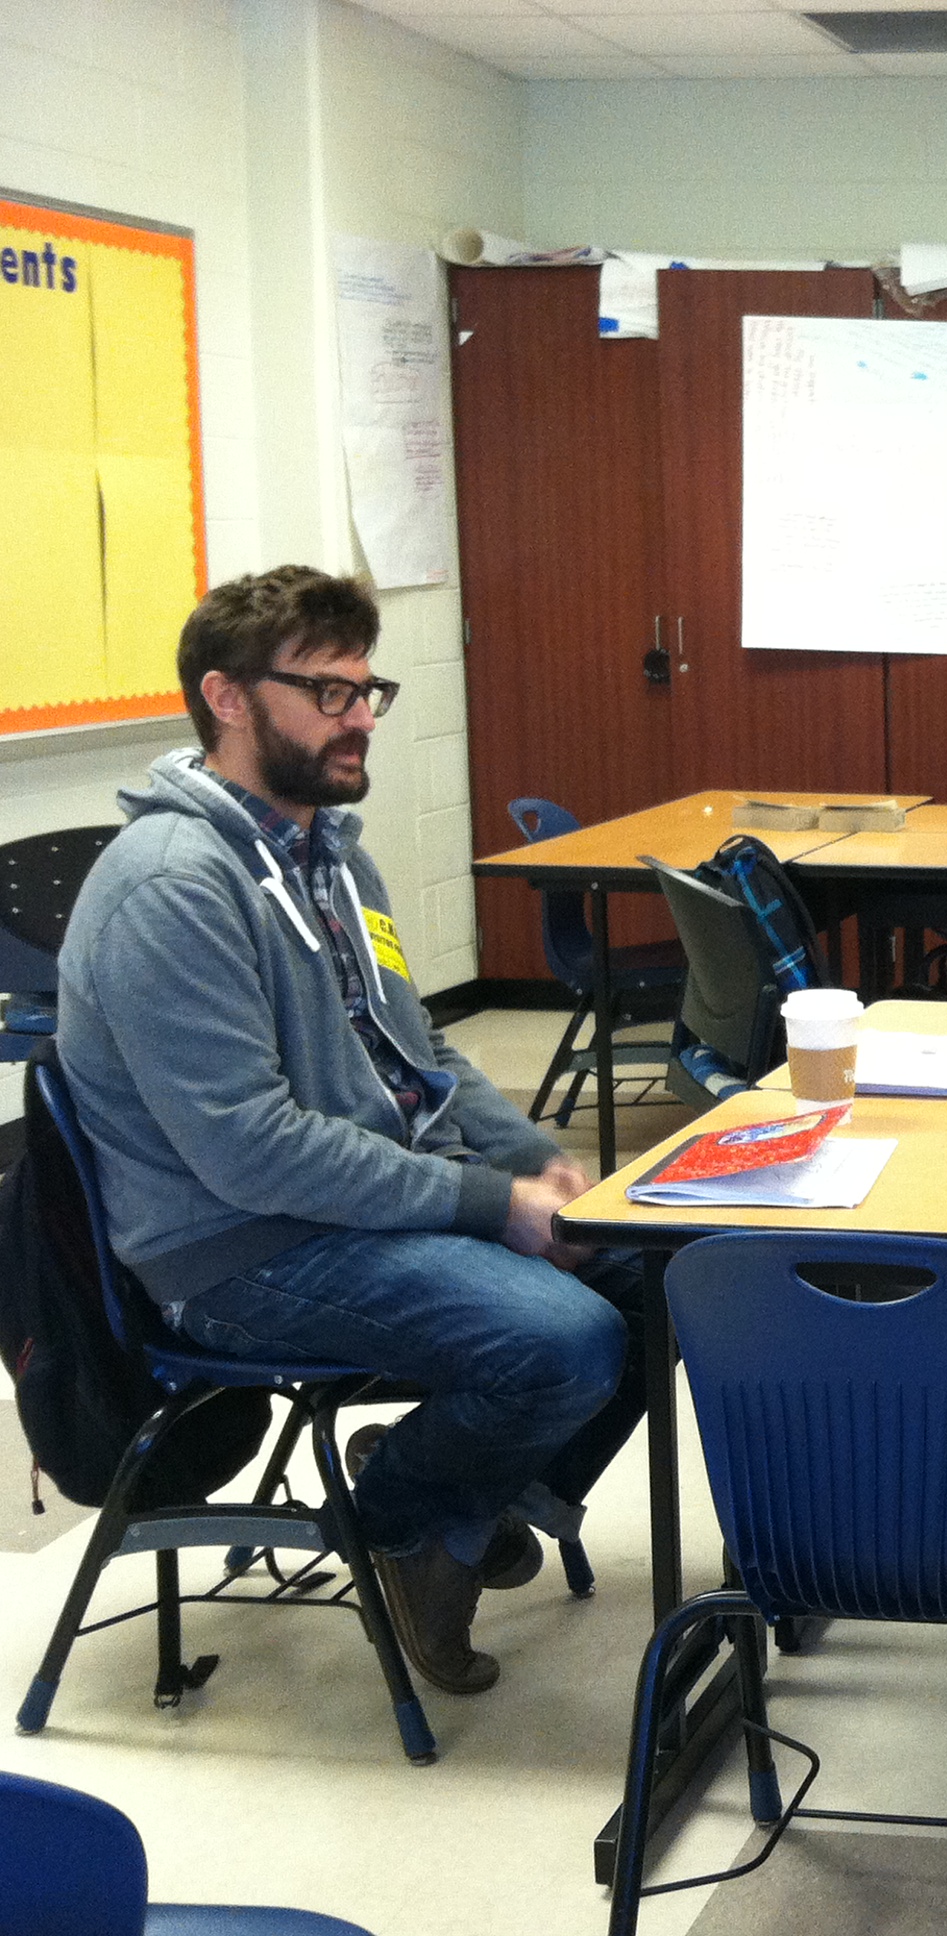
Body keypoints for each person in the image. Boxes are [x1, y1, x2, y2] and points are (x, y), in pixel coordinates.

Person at [54, 566, 647, 1699]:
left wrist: (531, 1163)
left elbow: (420, 1060)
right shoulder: (173, 886)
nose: (362, 715)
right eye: (329, 692)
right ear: (227, 698)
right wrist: (490, 1206)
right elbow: (252, 1149)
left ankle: (451, 1510)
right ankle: (403, 1516)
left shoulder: (329, 856)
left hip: (345, 1203)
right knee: (563, 1340)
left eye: (369, 687)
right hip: (238, 1244)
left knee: (655, 1272)